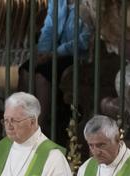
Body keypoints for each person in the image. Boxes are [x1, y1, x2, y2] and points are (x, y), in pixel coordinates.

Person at [27, 0, 91, 130]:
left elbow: (84, 41)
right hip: (52, 55)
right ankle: (22, 124)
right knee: (26, 70)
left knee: (42, 75)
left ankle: (40, 128)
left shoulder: (89, 4)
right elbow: (48, 29)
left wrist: (53, 54)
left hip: (77, 57)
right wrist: (42, 53)